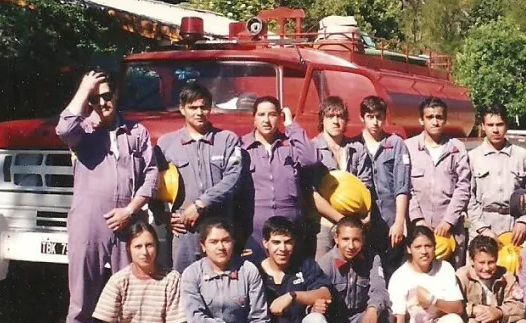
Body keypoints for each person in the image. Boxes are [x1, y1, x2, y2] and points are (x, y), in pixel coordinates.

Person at [54, 70, 158, 323]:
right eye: (97, 97)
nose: (104, 101)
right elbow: (62, 129)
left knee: (133, 295)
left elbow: (151, 175)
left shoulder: (136, 132)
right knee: (82, 296)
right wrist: (85, 89)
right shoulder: (82, 129)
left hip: (128, 222)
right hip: (89, 221)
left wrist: (130, 210)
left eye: (108, 94)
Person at [156, 82, 243, 274]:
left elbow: (233, 178)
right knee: (183, 280)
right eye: (192, 107)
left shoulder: (227, 139)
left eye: (203, 107)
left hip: (219, 225)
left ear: (210, 107)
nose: (199, 112)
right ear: (182, 109)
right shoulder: (166, 143)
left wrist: (200, 204)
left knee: (221, 279)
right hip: (184, 229)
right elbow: (154, 185)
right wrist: (163, 216)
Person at [317, 216, 396, 323]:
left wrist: (373, 308)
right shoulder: (325, 263)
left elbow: (379, 289)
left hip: (361, 319)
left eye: (356, 240)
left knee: (385, 314)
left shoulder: (372, 258)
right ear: (336, 238)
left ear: (363, 240)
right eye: (345, 239)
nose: (351, 245)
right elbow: (317, 295)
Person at [239, 97, 319, 260]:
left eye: (272, 114)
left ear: (279, 117)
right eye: (261, 115)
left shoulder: (290, 145)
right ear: (254, 119)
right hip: (254, 229)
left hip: (288, 228)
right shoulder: (242, 147)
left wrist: (291, 125)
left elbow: (311, 159)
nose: (266, 120)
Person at [405, 98, 472, 267]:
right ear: (421, 119)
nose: (435, 122)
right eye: (430, 117)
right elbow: (406, 187)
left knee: (451, 278)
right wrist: (417, 219)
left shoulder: (456, 148)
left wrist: (448, 221)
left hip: (450, 231)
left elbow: (463, 186)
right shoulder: (409, 148)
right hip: (419, 229)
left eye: (439, 117)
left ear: (445, 119)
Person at [308, 96, 374, 257]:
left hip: (354, 225)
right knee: (323, 272)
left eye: (341, 117)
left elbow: (366, 186)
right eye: (330, 116)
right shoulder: (312, 149)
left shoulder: (357, 149)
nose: (336, 121)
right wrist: (340, 220)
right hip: (323, 224)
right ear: (322, 119)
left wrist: (367, 215)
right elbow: (312, 194)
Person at [467, 104, 526, 246]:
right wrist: (482, 228)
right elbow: (468, 197)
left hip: (514, 228)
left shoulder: (521, 156)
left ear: (506, 125)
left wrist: (524, 222)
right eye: (490, 125)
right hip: (483, 227)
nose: (495, 130)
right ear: (482, 126)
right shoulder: (473, 157)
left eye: (499, 124)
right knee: (482, 268)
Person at [358, 95, 412, 278]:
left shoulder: (396, 144)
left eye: (379, 117)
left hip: (390, 221)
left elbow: (402, 186)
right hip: (364, 222)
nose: (375, 122)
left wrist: (399, 222)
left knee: (394, 270)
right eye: (370, 117)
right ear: (362, 117)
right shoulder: (354, 145)